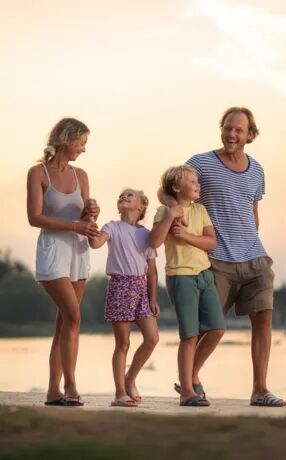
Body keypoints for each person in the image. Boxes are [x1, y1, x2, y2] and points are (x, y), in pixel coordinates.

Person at [163, 107, 285, 407]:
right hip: (215, 259)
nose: (232, 134)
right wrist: (172, 213)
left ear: (250, 135)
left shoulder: (257, 171)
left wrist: (250, 237)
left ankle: (260, 390)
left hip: (254, 257)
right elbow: (170, 190)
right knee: (210, 327)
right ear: (222, 129)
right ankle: (190, 379)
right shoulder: (200, 163)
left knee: (264, 319)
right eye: (228, 128)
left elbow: (253, 212)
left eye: (239, 130)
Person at [27, 118, 100, 406]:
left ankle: (52, 391)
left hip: (78, 253)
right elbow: (35, 218)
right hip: (53, 252)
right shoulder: (38, 173)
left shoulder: (81, 175)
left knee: (64, 323)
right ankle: (70, 386)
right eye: (81, 143)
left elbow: (86, 220)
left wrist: (92, 212)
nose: (83, 149)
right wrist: (75, 226)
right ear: (66, 140)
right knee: (73, 316)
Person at [150, 165, 225, 407]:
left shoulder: (201, 210)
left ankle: (190, 376)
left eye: (197, 182)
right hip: (180, 277)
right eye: (192, 181)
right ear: (176, 187)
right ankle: (187, 393)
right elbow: (155, 241)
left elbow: (211, 242)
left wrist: (186, 236)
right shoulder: (164, 212)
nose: (197, 185)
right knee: (189, 335)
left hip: (204, 275)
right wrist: (171, 216)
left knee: (216, 329)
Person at [89, 188, 160, 407]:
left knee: (152, 338)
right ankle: (120, 393)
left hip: (140, 287)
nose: (123, 197)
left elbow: (152, 270)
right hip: (120, 285)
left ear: (141, 206)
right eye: (121, 195)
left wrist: (152, 298)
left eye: (129, 195)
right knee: (123, 343)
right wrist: (92, 219)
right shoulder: (112, 227)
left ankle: (130, 379)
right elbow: (96, 243)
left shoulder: (146, 234)